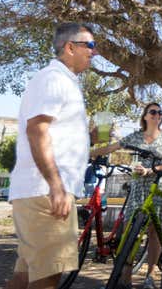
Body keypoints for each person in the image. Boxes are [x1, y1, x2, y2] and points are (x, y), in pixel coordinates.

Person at [5, 22, 96, 289]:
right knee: (48, 277)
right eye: (89, 45)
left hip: (39, 193)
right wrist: (56, 186)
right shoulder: (54, 79)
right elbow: (37, 129)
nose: (94, 52)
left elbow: (52, 131)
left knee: (25, 277)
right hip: (46, 193)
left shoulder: (63, 81)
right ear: (70, 47)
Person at [91, 102, 162, 289]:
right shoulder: (136, 136)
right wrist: (89, 153)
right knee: (130, 231)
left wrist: (151, 170)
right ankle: (126, 278)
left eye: (160, 113)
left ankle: (150, 278)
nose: (157, 115)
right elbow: (112, 147)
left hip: (158, 186)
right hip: (138, 188)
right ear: (145, 116)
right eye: (153, 112)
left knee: (155, 232)